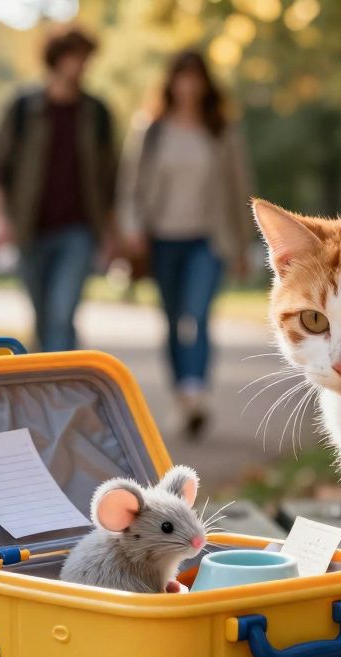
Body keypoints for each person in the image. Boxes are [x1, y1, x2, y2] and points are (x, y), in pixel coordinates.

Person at [117, 50, 252, 439]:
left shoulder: (221, 131)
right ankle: (181, 395)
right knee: (174, 320)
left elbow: (239, 190)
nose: (188, 85)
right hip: (161, 240)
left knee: (198, 314)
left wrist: (243, 246)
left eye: (196, 78)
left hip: (208, 240)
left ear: (205, 83)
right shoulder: (151, 129)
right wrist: (132, 229)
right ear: (171, 82)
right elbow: (130, 187)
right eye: (182, 77)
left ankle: (196, 393)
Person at [0, 24, 117, 352]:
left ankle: (62, 394)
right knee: (43, 317)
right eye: (77, 57)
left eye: (87, 58)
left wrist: (112, 232)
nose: (83, 65)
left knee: (62, 311)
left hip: (79, 230)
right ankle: (46, 384)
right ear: (57, 59)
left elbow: (110, 179)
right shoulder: (23, 109)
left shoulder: (96, 113)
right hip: (31, 228)